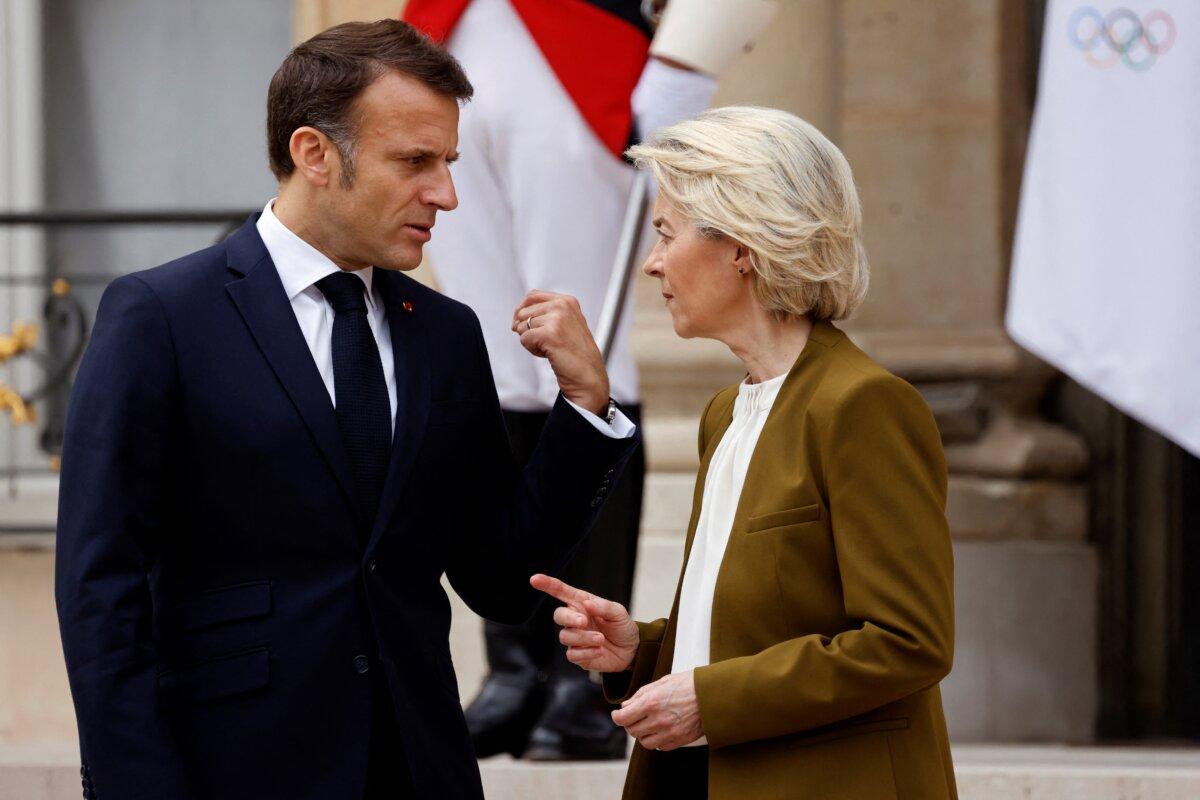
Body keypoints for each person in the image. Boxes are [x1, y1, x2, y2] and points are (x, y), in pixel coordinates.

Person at [53, 20, 638, 800]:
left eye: (448, 162)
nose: (448, 194)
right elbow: (100, 587)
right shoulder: (159, 316)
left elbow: (499, 577)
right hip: (231, 771)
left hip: (420, 769)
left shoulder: (447, 334)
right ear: (314, 154)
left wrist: (583, 408)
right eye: (415, 161)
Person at [533, 106, 958, 799]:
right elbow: (752, 628)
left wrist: (713, 699)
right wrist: (641, 652)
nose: (652, 262)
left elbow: (909, 641)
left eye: (667, 234)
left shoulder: (863, 406)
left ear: (744, 247)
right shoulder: (727, 412)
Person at [401, 0, 774, 760]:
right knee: (492, 366)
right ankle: (515, 667)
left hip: (584, 45)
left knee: (582, 354)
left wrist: (682, 61)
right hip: (445, 41)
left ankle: (580, 679)